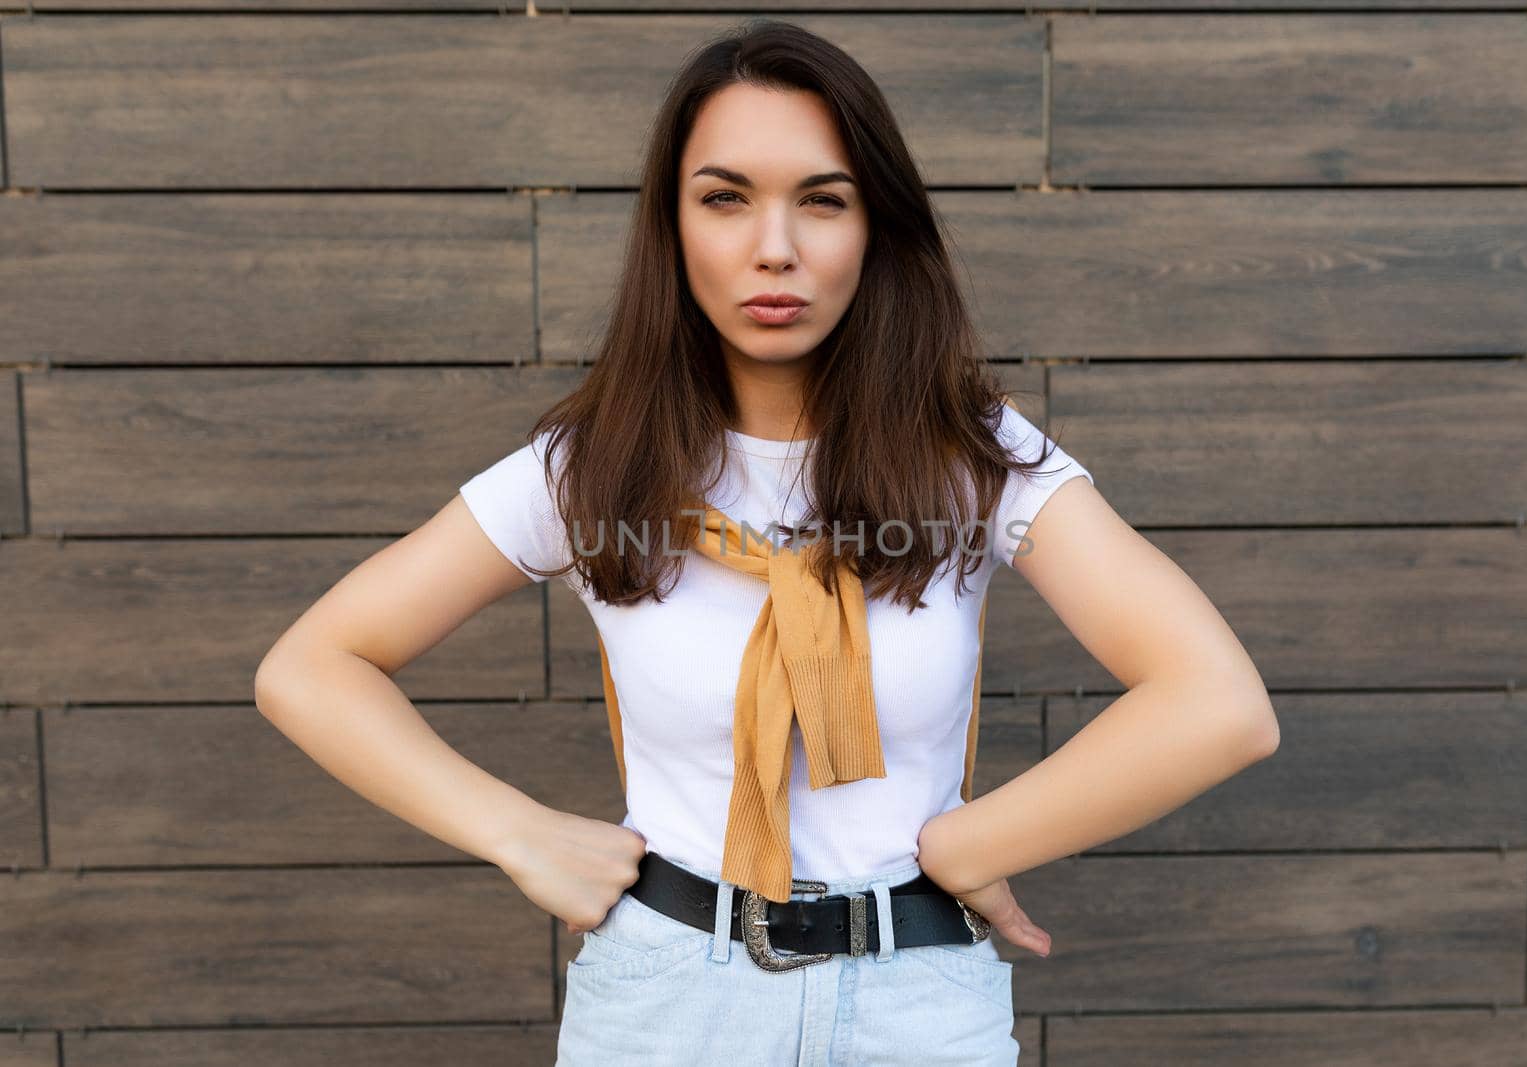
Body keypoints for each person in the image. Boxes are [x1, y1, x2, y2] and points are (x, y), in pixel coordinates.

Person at [254, 18, 1280, 1066]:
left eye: (822, 200)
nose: (774, 247)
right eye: (726, 197)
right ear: (673, 224)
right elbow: (312, 665)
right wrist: (516, 831)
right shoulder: (593, 465)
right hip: (661, 998)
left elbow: (1216, 702)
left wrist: (974, 843)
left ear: (874, 225)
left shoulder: (967, 455)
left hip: (916, 997)